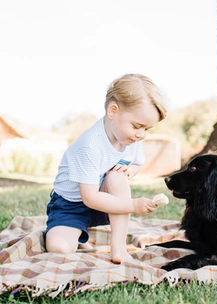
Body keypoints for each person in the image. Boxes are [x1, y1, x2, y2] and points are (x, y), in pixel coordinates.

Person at [45, 73, 167, 264]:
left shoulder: (130, 138)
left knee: (118, 178)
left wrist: (129, 172)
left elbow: (136, 164)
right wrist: (134, 205)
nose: (142, 134)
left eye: (147, 129)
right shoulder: (90, 146)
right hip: (71, 204)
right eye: (138, 126)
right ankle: (75, 233)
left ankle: (118, 248)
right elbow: (90, 197)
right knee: (59, 248)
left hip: (105, 199)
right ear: (113, 111)